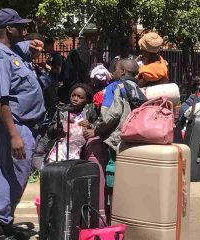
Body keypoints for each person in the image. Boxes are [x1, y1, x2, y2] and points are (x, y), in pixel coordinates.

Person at [0, 8, 45, 240]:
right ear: (9, 29)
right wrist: (14, 136)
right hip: (12, 124)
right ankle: (0, 224)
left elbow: (26, 46)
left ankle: (4, 221)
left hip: (22, 123)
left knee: (15, 172)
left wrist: (33, 43)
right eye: (20, 26)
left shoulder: (10, 50)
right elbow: (1, 101)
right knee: (11, 172)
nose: (24, 30)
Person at [82, 59, 141, 221]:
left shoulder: (115, 87)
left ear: (122, 72)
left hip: (117, 140)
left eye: (114, 70)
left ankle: (113, 218)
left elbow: (110, 115)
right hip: (135, 141)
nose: (111, 73)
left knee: (113, 178)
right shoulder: (137, 88)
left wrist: (95, 130)